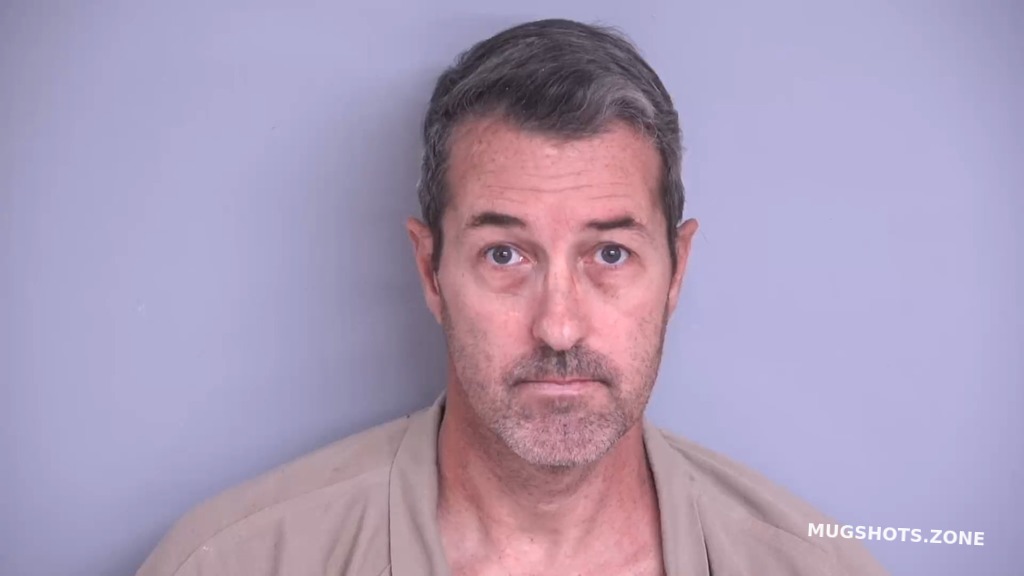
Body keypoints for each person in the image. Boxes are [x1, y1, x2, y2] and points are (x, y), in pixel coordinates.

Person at [137, 18, 888, 576]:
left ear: (676, 271)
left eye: (610, 254)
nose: (558, 326)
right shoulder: (233, 561)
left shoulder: (814, 567)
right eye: (505, 255)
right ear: (431, 271)